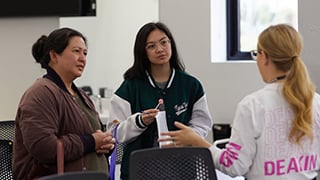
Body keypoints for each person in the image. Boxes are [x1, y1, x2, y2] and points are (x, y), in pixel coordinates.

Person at [159, 24, 320, 180]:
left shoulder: (252, 106)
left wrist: (197, 142)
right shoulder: (315, 101)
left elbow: (234, 166)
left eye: (256, 54)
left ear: (264, 58)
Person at [107, 22, 213, 180]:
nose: (160, 49)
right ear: (143, 52)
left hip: (182, 168)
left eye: (164, 42)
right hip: (139, 169)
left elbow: (202, 124)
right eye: (151, 46)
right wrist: (139, 121)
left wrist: (186, 138)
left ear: (171, 44)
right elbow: (114, 132)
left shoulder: (191, 85)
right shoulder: (130, 86)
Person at [13, 27, 115, 180]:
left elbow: (94, 136)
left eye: (85, 53)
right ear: (54, 56)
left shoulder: (81, 95)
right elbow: (44, 147)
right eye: (76, 51)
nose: (83, 58)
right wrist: (91, 142)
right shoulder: (40, 93)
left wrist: (106, 144)